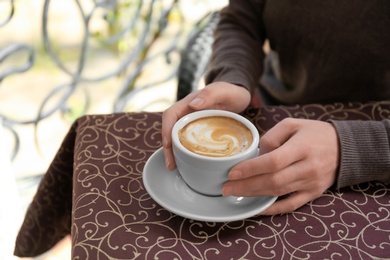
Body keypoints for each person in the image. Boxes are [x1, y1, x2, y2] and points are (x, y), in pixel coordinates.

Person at [162, 0, 390, 215]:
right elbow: (242, 21)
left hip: (371, 148)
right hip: (267, 116)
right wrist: (234, 77)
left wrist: (352, 148)